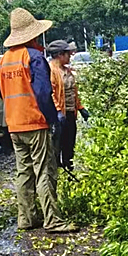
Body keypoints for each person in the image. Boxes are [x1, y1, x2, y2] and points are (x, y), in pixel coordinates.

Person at [0, 8, 77, 233]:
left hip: (14, 124)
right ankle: (53, 220)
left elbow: (2, 93)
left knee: (24, 172)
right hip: (35, 122)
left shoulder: (5, 60)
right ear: (32, 34)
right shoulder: (33, 57)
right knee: (44, 170)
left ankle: (26, 218)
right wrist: (53, 120)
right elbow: (43, 94)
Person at [46, 40, 90, 171]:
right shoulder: (51, 71)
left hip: (70, 113)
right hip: (59, 116)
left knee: (69, 145)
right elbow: (51, 93)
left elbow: (73, 92)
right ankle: (58, 174)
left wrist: (80, 108)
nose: (70, 57)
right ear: (60, 54)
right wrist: (58, 111)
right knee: (57, 146)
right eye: (68, 54)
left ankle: (68, 170)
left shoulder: (67, 71)